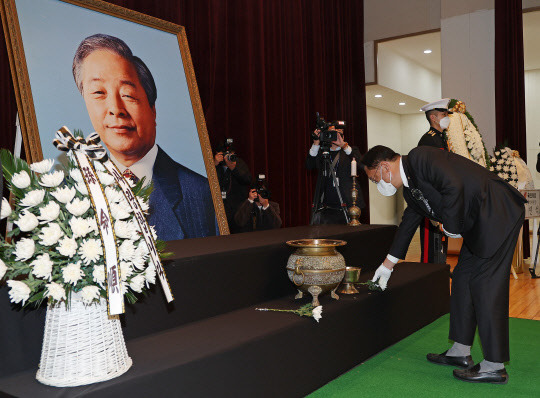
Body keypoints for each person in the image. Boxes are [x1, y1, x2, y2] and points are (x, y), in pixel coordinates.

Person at [363, 145, 526, 384]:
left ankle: (494, 365)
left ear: (385, 167)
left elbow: (453, 185)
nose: (378, 185)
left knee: (484, 284)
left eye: (375, 178)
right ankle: (460, 353)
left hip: (497, 212)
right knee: (462, 280)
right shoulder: (410, 190)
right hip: (476, 224)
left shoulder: (420, 157)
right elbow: (409, 222)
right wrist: (388, 264)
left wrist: (450, 226)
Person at [72, 34, 217, 241]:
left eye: (128, 95)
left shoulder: (201, 193)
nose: (115, 109)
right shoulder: (69, 192)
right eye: (98, 93)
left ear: (153, 109)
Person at [417, 98, 453, 264]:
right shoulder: (428, 140)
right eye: (443, 114)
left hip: (442, 197)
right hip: (431, 199)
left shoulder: (441, 138)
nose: (447, 117)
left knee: (441, 243)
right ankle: (428, 275)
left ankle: (439, 272)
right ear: (433, 117)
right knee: (431, 243)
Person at [306, 126, 364, 224]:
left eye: (339, 134)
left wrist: (344, 145)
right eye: (332, 134)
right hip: (326, 205)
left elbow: (361, 165)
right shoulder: (322, 152)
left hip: (348, 202)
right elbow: (309, 165)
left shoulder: (350, 151)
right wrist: (316, 143)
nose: (335, 137)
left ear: (343, 137)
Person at [214, 140, 252, 233]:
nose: (227, 156)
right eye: (224, 154)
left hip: (237, 210)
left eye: (229, 154)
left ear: (234, 153)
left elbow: (247, 179)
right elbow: (204, 183)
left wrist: (234, 168)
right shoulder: (214, 165)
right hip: (219, 209)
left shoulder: (239, 163)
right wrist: (213, 164)